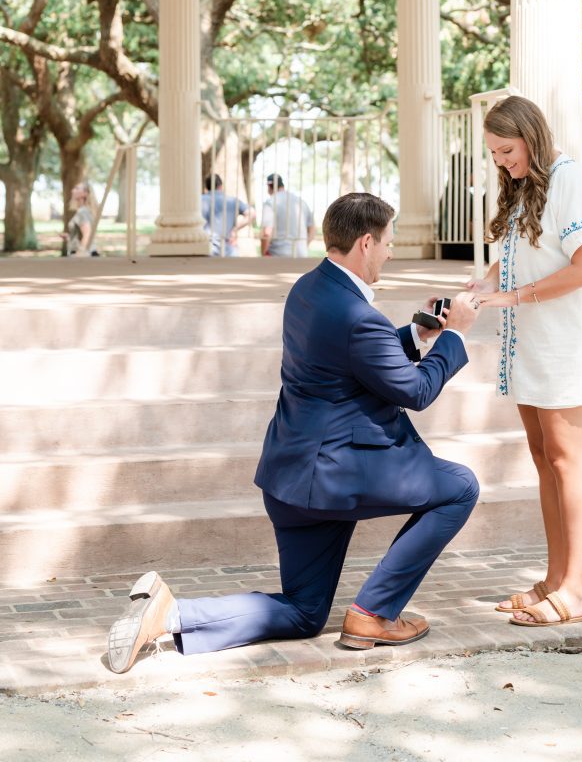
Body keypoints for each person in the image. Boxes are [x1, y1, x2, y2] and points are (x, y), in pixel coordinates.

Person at [107, 192, 481, 674]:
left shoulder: (309, 289)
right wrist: (456, 335)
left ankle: (170, 614)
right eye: (388, 243)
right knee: (460, 487)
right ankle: (373, 614)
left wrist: (416, 334)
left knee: (305, 612)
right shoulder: (358, 315)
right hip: (337, 475)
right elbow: (415, 390)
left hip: (290, 478)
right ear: (366, 243)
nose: (391, 253)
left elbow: (352, 355)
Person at [468, 95, 582, 629]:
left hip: (565, 343)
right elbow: (518, 249)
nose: (502, 161)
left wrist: (513, 296)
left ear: (531, 136)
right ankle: (554, 580)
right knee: (543, 457)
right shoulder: (525, 187)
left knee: (568, 460)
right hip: (529, 343)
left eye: (506, 150)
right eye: (495, 154)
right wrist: (486, 283)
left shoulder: (570, 178)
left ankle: (575, 590)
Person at [260, 173, 314, 257]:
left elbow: (267, 233)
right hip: (301, 255)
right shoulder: (301, 202)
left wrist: (263, 253)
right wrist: (304, 246)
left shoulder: (270, 202)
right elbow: (312, 229)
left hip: (278, 255)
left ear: (269, 186)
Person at [201, 174, 255, 257]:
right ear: (220, 186)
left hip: (206, 249)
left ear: (206, 188)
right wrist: (234, 230)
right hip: (228, 250)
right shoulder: (232, 201)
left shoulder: (200, 200)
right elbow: (252, 213)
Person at [61, 182, 98, 257]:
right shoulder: (85, 211)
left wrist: (79, 254)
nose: (72, 191)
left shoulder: (83, 212)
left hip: (84, 255)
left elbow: (87, 234)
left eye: (77, 188)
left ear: (85, 193)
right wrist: (69, 237)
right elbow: (82, 235)